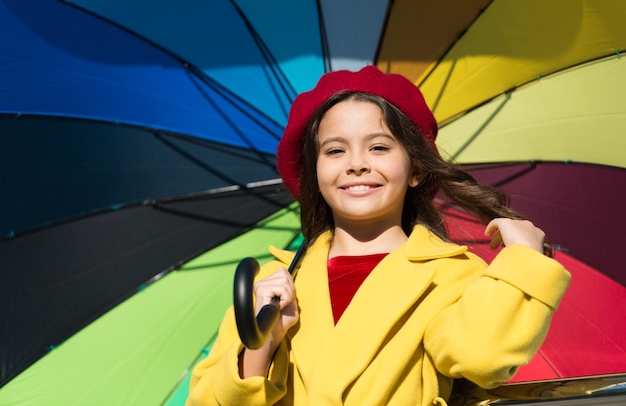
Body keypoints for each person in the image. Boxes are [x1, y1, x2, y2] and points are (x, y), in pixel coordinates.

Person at [186, 66, 571, 406]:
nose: (356, 164)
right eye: (335, 150)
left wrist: (524, 261)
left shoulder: (452, 275)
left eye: (379, 147)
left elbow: (482, 356)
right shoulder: (269, 286)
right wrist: (263, 343)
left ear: (417, 169)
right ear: (314, 174)